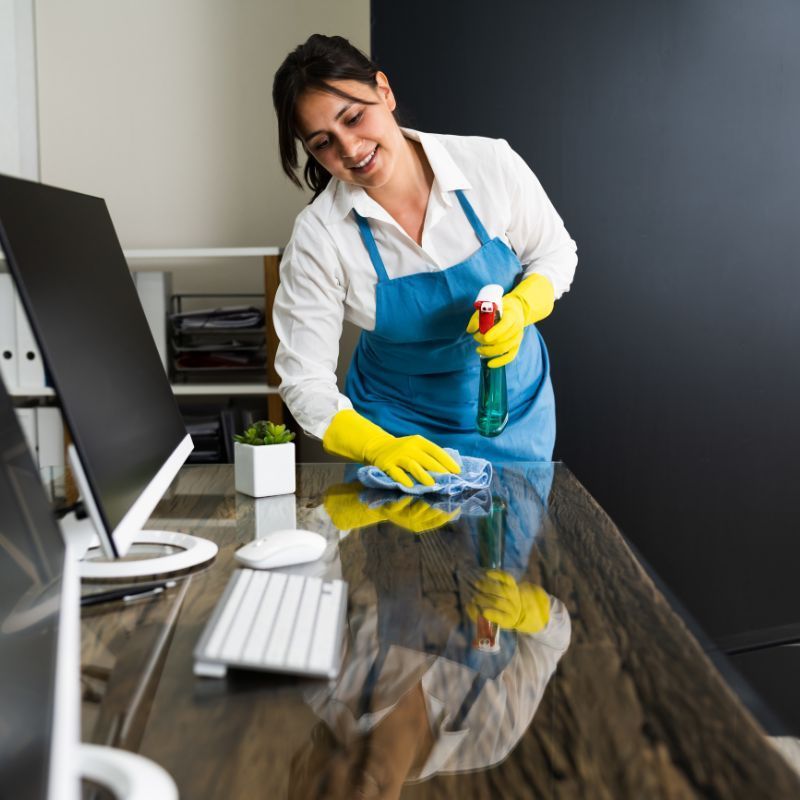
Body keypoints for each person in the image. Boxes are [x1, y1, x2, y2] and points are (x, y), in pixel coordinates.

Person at [272, 34, 577, 488]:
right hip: (396, 431)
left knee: (506, 557)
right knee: (397, 556)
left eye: (354, 118)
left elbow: (554, 253)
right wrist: (377, 446)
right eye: (323, 143)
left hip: (512, 416)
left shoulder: (487, 164)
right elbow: (304, 380)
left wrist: (521, 308)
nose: (351, 149)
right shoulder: (321, 237)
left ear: (384, 91)